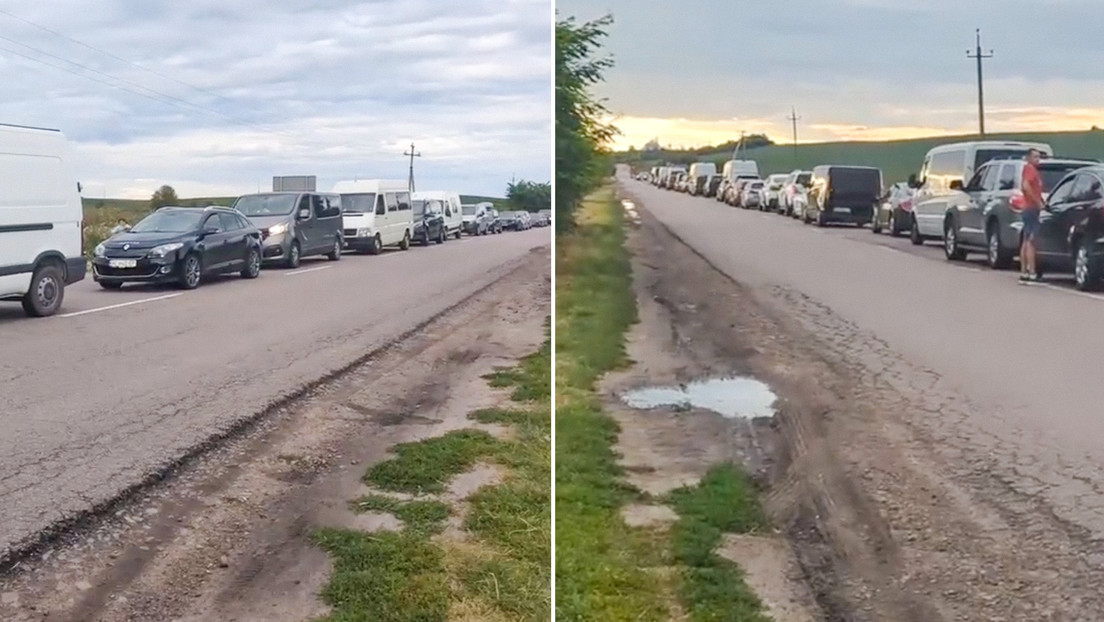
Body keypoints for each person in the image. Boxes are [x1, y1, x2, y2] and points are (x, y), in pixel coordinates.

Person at [1019, 149, 1045, 282]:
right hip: (1031, 208)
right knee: (1031, 241)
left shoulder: (1031, 170)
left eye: (1038, 157)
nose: (1037, 159)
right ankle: (1032, 272)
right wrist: (1037, 202)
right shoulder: (1030, 169)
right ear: (1028, 158)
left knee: (1026, 240)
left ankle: (1024, 271)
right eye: (1035, 157)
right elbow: (1026, 186)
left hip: (1029, 208)